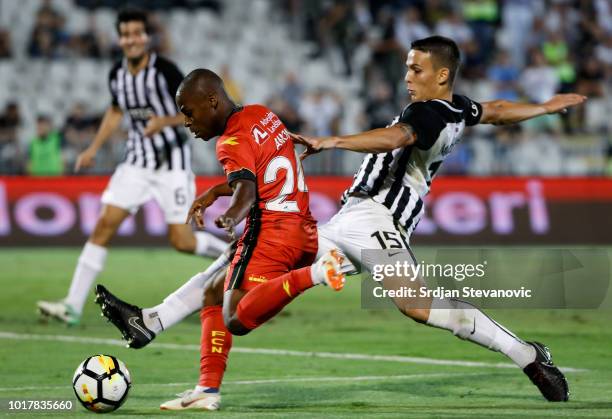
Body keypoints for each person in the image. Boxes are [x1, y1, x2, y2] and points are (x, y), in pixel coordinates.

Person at [95, 36, 585, 410]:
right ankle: (153, 321)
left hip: (379, 219)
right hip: (351, 218)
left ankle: (526, 354)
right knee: (235, 261)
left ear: (442, 75)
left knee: (416, 307)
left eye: (416, 68)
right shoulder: (457, 107)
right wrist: (541, 108)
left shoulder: (427, 112)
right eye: (407, 67)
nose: (408, 75)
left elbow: (396, 136)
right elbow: (496, 111)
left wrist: (333, 142)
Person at [95, 68, 345, 410]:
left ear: (211, 101)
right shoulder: (263, 115)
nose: (186, 121)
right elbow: (259, 171)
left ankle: (317, 274)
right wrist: (217, 190)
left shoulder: (230, 141)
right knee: (214, 289)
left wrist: (232, 215)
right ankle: (205, 388)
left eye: (188, 111)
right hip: (302, 229)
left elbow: (246, 188)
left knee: (236, 319)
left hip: (271, 233)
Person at [37, 8, 226, 326]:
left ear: (146, 37)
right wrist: (93, 148)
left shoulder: (165, 71)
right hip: (136, 163)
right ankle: (71, 305)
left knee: (182, 241)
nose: (132, 39)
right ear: (120, 38)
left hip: (172, 165)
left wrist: (164, 121)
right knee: (103, 226)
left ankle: (233, 256)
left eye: (137, 33)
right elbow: (114, 111)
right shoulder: (117, 75)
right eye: (126, 34)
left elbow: (198, 112)